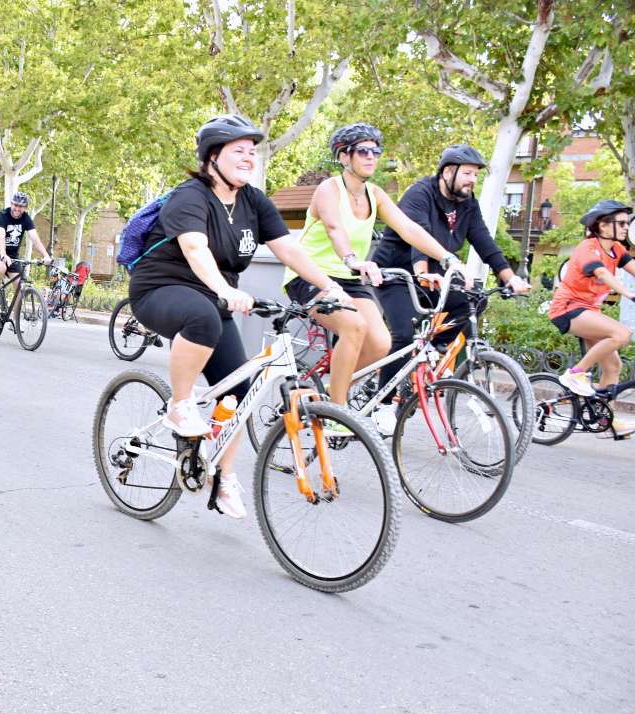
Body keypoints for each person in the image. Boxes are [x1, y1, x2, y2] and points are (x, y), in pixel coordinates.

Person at [128, 114, 351, 519]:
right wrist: (226, 290)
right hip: (161, 289)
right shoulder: (190, 196)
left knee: (240, 389)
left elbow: (289, 249)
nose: (249, 158)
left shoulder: (253, 201)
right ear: (213, 157)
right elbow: (195, 250)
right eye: (239, 151)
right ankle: (180, 405)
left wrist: (328, 286)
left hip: (214, 297)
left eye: (252, 151)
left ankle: (223, 477)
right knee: (203, 318)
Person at [280, 123, 465, 434]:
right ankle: (337, 413)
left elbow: (409, 230)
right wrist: (354, 260)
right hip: (311, 275)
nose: (371, 157)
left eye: (375, 151)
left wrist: (447, 257)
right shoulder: (329, 189)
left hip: (349, 279)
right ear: (343, 156)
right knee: (353, 327)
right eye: (363, 151)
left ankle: (328, 394)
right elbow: (335, 229)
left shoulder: (374, 194)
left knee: (380, 344)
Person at [370, 144, 531, 432]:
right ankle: (383, 405)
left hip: (435, 276)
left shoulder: (468, 205)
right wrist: (422, 272)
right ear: (448, 172)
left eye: (476, 175)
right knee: (404, 334)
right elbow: (418, 236)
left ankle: (433, 350)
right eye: (468, 173)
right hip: (395, 275)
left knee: (474, 300)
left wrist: (509, 277)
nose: (473, 180)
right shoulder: (420, 194)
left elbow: (484, 242)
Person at [548, 200, 634, 407]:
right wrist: (627, 293)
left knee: (613, 366)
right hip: (568, 309)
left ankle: (604, 418)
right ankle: (576, 374)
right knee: (622, 334)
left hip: (589, 312)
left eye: (626, 224)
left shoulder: (617, 250)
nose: (626, 228)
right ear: (603, 226)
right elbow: (602, 273)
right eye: (621, 223)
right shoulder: (588, 247)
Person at [0, 192, 52, 307]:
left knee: (19, 289)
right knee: (1, 266)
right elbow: (1, 237)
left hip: (13, 256)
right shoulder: (1, 216)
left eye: (21, 206)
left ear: (25, 208)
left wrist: (46, 255)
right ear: (11, 204)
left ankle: (15, 322)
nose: (17, 208)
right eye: (15, 205)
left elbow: (34, 238)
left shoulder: (26, 218)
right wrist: (3, 255)